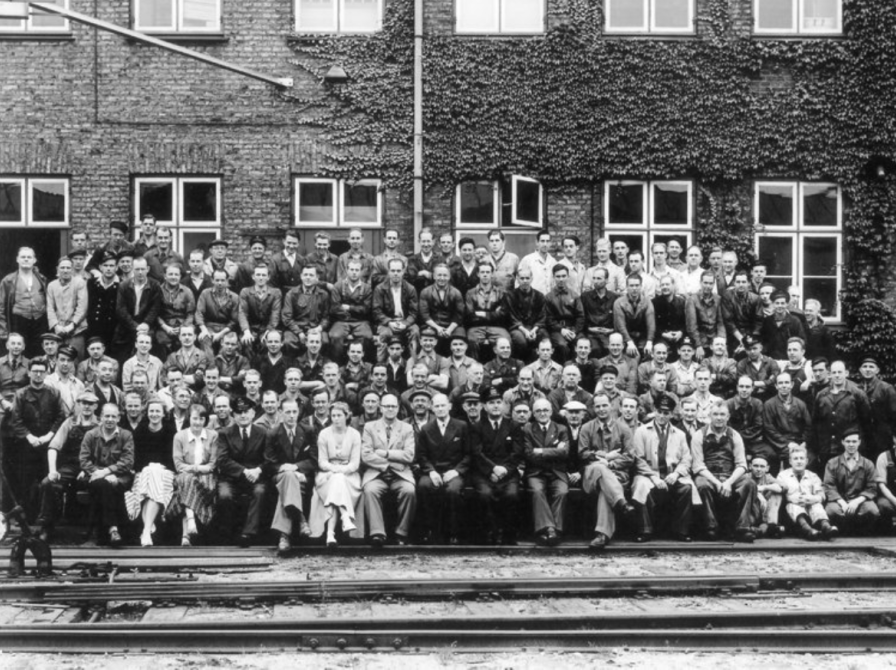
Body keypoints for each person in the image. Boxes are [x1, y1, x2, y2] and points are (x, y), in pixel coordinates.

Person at [631, 394, 696, 542]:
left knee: (686, 488)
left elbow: (686, 459)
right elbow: (638, 459)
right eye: (659, 411)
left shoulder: (679, 434)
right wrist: (653, 476)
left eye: (666, 413)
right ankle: (645, 530)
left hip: (671, 474)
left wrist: (676, 474)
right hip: (648, 474)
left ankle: (681, 530)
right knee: (641, 486)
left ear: (672, 414)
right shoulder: (641, 431)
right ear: (654, 410)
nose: (661, 416)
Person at [6, 357, 66, 518]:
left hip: (48, 445)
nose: (38, 374)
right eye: (35, 371)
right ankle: (29, 518)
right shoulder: (21, 394)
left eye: (41, 371)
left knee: (47, 481)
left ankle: (48, 519)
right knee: (26, 482)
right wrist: (29, 436)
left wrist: (49, 436)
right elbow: (15, 419)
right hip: (26, 445)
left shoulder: (53, 393)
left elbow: (61, 417)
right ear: (29, 373)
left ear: (46, 373)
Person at [35, 391, 99, 542]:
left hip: (91, 467)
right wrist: (52, 470)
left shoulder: (100, 424)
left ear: (96, 406)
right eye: (84, 403)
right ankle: (46, 526)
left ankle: (93, 530)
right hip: (70, 467)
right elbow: (53, 447)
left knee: (98, 485)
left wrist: (88, 469)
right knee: (47, 483)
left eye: (90, 404)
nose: (87, 407)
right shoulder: (69, 422)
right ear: (78, 404)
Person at [690, 402, 757, 542]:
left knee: (749, 483)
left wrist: (728, 482)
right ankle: (711, 527)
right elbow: (698, 466)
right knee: (702, 485)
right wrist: (716, 482)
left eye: (722, 414)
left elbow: (742, 465)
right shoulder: (699, 435)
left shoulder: (735, 435)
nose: (719, 418)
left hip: (729, 475)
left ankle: (742, 528)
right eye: (715, 414)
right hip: (708, 475)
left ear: (728, 417)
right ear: (709, 416)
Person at [577, 393, 637, 549]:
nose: (601, 409)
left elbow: (630, 457)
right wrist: (605, 456)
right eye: (597, 406)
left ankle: (602, 535)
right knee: (598, 467)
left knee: (606, 489)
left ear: (611, 406)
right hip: (592, 476)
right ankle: (622, 503)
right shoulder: (586, 428)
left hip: (617, 475)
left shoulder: (624, 429)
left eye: (604, 405)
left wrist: (610, 464)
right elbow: (583, 453)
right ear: (593, 408)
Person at [357, 393, 416, 546]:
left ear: (398, 408)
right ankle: (377, 533)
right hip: (377, 474)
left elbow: (409, 456)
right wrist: (390, 464)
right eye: (387, 406)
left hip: (400, 475)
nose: (390, 409)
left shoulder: (407, 428)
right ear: (380, 408)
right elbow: (366, 455)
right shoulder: (370, 427)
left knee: (409, 491)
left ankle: (401, 533)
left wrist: (386, 453)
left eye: (393, 406)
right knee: (370, 490)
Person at [416, 393, 471, 544]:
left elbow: (468, 454)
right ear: (431, 408)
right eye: (437, 406)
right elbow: (421, 456)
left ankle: (453, 532)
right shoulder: (426, 429)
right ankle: (431, 530)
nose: (440, 409)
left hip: (454, 471)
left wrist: (456, 471)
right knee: (424, 486)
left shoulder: (461, 426)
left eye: (443, 405)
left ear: (450, 406)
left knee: (453, 491)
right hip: (433, 471)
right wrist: (431, 471)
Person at [216, 396, 270, 546]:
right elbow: (222, 459)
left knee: (260, 492)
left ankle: (248, 533)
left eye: (247, 412)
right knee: (224, 495)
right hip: (231, 477)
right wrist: (244, 471)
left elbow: (270, 459)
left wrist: (258, 470)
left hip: (256, 477)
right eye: (239, 412)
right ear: (233, 415)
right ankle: (228, 533)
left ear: (253, 413)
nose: (243, 415)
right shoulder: (225, 433)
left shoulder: (263, 432)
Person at [79, 403, 134, 546]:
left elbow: (128, 461)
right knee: (104, 485)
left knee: (105, 486)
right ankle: (113, 529)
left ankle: (99, 533)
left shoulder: (126, 435)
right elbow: (84, 460)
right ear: (101, 417)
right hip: (94, 476)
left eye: (113, 416)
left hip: (119, 476)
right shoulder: (91, 435)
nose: (110, 419)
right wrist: (101, 473)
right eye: (107, 416)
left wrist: (108, 471)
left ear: (118, 418)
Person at [265, 399, 315, 553]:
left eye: (294, 412)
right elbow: (269, 463)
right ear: (281, 413)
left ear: (298, 412)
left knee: (288, 483)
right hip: (279, 476)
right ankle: (301, 519)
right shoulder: (273, 433)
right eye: (288, 412)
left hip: (302, 476)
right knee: (288, 477)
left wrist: (296, 468)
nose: (291, 416)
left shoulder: (308, 431)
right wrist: (284, 468)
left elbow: (314, 460)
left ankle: (284, 535)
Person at [474, 387, 523, 544]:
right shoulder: (477, 427)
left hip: (508, 473)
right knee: (485, 495)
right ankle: (490, 533)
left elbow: (517, 453)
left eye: (498, 402)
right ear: (484, 406)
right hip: (484, 473)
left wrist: (505, 470)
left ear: (503, 404)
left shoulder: (513, 426)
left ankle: (508, 534)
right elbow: (476, 453)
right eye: (491, 402)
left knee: (511, 495)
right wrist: (492, 469)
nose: (495, 406)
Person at [123, 399, 175, 547]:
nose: (154, 414)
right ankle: (147, 530)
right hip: (144, 472)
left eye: (158, 411)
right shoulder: (140, 430)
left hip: (165, 472)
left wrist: (159, 466)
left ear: (164, 413)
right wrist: (149, 467)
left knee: (154, 475)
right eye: (151, 411)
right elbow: (136, 458)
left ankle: (146, 530)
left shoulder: (170, 431)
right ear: (147, 413)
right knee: (150, 475)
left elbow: (172, 457)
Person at [522, 397, 569, 546]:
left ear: (551, 412)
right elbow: (528, 454)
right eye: (538, 411)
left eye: (545, 410)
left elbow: (565, 453)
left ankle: (553, 530)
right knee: (537, 491)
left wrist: (540, 450)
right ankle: (550, 529)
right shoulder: (528, 429)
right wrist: (554, 451)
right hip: (536, 472)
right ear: (533, 414)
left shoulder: (561, 429)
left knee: (562, 491)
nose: (542, 413)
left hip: (557, 472)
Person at [170, 403, 218, 546]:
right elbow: (178, 465)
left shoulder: (213, 435)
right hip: (185, 476)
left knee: (187, 483)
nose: (197, 422)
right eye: (195, 418)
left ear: (206, 421)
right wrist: (198, 469)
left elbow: (213, 464)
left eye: (201, 419)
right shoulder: (179, 436)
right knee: (187, 479)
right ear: (189, 418)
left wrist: (195, 468)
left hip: (206, 477)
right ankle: (190, 522)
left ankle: (186, 535)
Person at [810, 360, 871, 468]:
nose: (837, 376)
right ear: (829, 374)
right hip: (827, 448)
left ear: (846, 373)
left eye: (840, 372)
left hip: (849, 448)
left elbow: (866, 422)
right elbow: (816, 422)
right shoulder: (821, 395)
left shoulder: (857, 393)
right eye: (834, 373)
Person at [823, 430, 880, 536]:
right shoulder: (832, 463)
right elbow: (828, 486)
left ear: (859, 442)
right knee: (831, 511)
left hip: (860, 501)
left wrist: (857, 501)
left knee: (872, 510)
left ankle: (859, 532)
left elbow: (872, 487)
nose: (851, 445)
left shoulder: (868, 464)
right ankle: (842, 532)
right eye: (848, 441)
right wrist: (842, 502)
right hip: (839, 501)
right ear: (842, 442)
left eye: (854, 441)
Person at [779, 444, 838, 541]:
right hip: (791, 513)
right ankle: (807, 530)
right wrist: (790, 498)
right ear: (790, 461)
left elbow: (821, 494)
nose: (799, 461)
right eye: (796, 459)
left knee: (817, 505)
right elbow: (779, 493)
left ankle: (826, 527)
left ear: (806, 461)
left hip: (810, 507)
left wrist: (813, 499)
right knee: (793, 506)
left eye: (801, 458)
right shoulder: (782, 476)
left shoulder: (813, 476)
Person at [0, 247, 49, 357]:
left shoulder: (42, 279)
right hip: (18, 321)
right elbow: (1, 307)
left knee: (39, 351)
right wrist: (3, 331)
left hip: (39, 321)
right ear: (17, 259)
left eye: (29, 257)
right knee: (19, 350)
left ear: (34, 260)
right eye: (23, 257)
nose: (26, 259)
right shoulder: (8, 280)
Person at [372, 257, 419, 362]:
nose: (396, 273)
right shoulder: (380, 288)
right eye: (393, 271)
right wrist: (389, 322)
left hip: (405, 321)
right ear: (388, 272)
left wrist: (406, 323)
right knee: (384, 334)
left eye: (398, 271)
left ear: (403, 271)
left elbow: (414, 312)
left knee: (415, 332)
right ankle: (381, 366)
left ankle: (413, 364)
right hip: (387, 322)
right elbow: (377, 311)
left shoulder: (410, 289)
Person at [329, 258, 374, 364]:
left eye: (357, 270)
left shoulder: (367, 288)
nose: (354, 272)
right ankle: (337, 365)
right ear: (346, 270)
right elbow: (335, 308)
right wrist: (354, 312)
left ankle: (364, 366)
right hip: (341, 321)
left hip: (361, 321)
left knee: (367, 336)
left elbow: (366, 309)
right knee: (334, 336)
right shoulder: (338, 286)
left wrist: (349, 308)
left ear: (361, 271)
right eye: (352, 269)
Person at [282, 265, 332, 357]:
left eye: (311, 275)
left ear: (317, 278)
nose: (308, 278)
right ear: (301, 276)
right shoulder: (292, 294)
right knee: (288, 342)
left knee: (324, 341)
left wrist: (318, 329)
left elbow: (326, 317)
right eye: (305, 275)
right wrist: (299, 332)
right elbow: (287, 318)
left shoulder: (323, 295)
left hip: (315, 328)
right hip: (296, 329)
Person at [465, 262, 510, 361]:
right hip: (476, 327)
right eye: (482, 272)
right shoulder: (470, 293)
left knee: (506, 340)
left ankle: (502, 368)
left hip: (496, 327)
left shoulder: (500, 293)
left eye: (487, 272)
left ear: (492, 274)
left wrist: (483, 314)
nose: (485, 274)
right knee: (471, 340)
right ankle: (475, 368)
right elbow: (470, 315)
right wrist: (494, 313)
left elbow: (503, 314)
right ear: (478, 274)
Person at [47, 255, 89, 358]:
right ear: (57, 269)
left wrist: (72, 325)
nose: (65, 270)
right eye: (62, 268)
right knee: (58, 359)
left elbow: (82, 307)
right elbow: (50, 308)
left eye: (68, 268)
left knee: (75, 359)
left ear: (72, 269)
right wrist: (56, 326)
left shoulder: (80, 283)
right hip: (59, 331)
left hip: (76, 330)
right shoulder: (52, 285)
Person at [727, 375, 773, 469]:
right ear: (737, 387)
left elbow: (758, 426)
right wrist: (737, 439)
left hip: (753, 442)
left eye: (747, 387)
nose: (744, 390)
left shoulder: (757, 403)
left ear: (752, 388)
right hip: (732, 441)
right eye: (741, 386)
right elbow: (727, 428)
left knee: (771, 454)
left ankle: (767, 480)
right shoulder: (728, 404)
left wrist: (741, 436)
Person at [504, 266, 547, 361]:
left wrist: (534, 330)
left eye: (527, 278)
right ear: (517, 279)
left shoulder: (539, 296)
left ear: (532, 279)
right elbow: (511, 317)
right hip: (518, 328)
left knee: (544, 339)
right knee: (521, 341)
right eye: (522, 278)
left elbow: (542, 316)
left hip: (535, 327)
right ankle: (521, 365)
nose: (525, 281)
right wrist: (525, 331)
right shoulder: (510, 296)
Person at [858, 357, 896, 460]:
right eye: (865, 367)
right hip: (863, 439)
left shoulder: (886, 388)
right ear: (860, 370)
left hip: (882, 438)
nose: (868, 369)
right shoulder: (857, 389)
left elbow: (894, 414)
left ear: (877, 370)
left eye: (871, 367)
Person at [238, 264, 282, 354]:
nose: (261, 278)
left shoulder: (275, 293)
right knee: (246, 343)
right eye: (258, 275)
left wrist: (269, 331)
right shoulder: (245, 292)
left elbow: (275, 314)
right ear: (253, 277)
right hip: (251, 328)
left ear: (268, 277)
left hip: (267, 328)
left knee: (267, 343)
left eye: (263, 275)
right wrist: (246, 331)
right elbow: (242, 313)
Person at [544, 264, 584, 362]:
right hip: (557, 330)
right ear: (553, 277)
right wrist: (561, 330)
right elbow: (548, 319)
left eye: (563, 276)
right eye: (558, 276)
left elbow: (580, 316)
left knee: (581, 344)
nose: (561, 279)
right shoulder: (548, 297)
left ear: (568, 277)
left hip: (573, 328)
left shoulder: (574, 295)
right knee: (562, 345)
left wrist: (575, 331)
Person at [196, 269, 240, 356]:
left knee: (228, 343)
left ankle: (222, 366)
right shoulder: (205, 293)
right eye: (217, 280)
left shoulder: (234, 297)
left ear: (227, 281)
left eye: (223, 280)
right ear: (212, 280)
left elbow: (234, 321)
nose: (220, 283)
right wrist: (204, 330)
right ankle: (211, 367)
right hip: (209, 327)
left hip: (226, 328)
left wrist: (220, 334)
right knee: (204, 339)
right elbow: (199, 313)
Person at [613, 274, 655, 359]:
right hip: (625, 337)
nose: (634, 288)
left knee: (647, 353)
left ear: (641, 286)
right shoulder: (619, 303)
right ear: (627, 287)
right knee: (628, 355)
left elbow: (651, 324)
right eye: (631, 285)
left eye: (637, 285)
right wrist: (629, 342)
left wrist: (649, 342)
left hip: (642, 337)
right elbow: (621, 326)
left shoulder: (647, 302)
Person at [685, 272, 725, 360]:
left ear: (714, 284)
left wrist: (721, 342)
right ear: (700, 283)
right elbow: (691, 326)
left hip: (714, 339)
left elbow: (720, 323)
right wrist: (698, 345)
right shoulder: (692, 300)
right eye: (705, 283)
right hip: (700, 340)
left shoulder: (718, 299)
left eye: (711, 283)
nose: (708, 286)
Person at [721, 271, 761, 356]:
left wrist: (750, 340)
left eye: (743, 282)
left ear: (749, 283)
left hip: (751, 335)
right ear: (734, 283)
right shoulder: (727, 297)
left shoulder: (756, 298)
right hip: (733, 335)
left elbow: (758, 322)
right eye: (738, 282)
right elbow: (728, 321)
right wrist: (741, 339)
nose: (741, 284)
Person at [759, 290, 807, 362]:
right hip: (771, 360)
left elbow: (802, 341)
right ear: (773, 304)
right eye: (777, 303)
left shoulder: (795, 321)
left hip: (789, 359)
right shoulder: (767, 321)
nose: (780, 306)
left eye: (782, 303)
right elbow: (763, 341)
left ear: (786, 304)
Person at [85, 250, 121, 345]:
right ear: (100, 267)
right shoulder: (91, 283)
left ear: (116, 267)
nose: (108, 269)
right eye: (105, 265)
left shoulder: (122, 285)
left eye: (111, 266)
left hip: (113, 331)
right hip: (93, 329)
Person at [748, 455, 784, 538]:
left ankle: (771, 525)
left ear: (767, 468)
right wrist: (757, 492)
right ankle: (767, 529)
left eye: (762, 466)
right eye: (755, 466)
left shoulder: (768, 477)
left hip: (764, 512)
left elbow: (783, 487)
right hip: (751, 512)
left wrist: (764, 487)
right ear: (750, 466)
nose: (759, 469)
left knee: (776, 493)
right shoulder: (746, 477)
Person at [735, 335, 780, 402]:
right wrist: (766, 382)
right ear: (745, 349)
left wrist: (753, 383)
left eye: (755, 348)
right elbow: (742, 382)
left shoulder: (770, 362)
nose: (752, 351)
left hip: (769, 396)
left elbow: (775, 378)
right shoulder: (741, 364)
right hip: (750, 398)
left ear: (761, 348)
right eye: (749, 349)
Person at [45, 346, 85, 417]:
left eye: (69, 360)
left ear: (73, 363)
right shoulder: (48, 382)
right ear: (56, 361)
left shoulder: (79, 384)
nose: (65, 364)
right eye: (62, 360)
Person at [517, 230, 556, 296]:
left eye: (547, 241)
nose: (545, 244)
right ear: (537, 242)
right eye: (542, 241)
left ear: (550, 243)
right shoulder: (528, 260)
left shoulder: (553, 262)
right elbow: (519, 282)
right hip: (532, 300)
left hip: (549, 301)